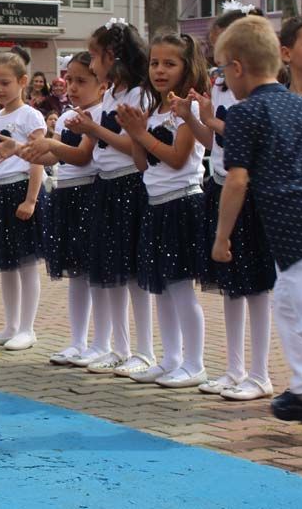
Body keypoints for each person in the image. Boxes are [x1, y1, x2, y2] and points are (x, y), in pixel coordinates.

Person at [211, 15, 302, 421]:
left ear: (237, 67)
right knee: (289, 305)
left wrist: (222, 236)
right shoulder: (301, 106)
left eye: (223, 70)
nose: (224, 79)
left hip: (291, 227)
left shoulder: (244, 113)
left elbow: (236, 179)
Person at [177, 7, 277, 402]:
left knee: (257, 288)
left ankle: (260, 372)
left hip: (249, 192)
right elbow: (213, 143)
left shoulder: (258, 92)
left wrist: (214, 122)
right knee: (231, 286)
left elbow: (240, 134)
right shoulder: (219, 87)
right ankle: (234, 368)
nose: (219, 64)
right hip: (221, 185)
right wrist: (195, 118)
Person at [117, 32, 208, 388]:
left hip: (182, 202)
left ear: (187, 67)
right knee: (163, 289)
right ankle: (171, 358)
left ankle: (195, 362)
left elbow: (177, 158)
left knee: (181, 288)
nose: (159, 70)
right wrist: (135, 132)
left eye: (169, 63)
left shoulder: (189, 109)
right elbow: (144, 165)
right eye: (154, 63)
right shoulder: (154, 112)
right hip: (156, 203)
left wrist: (142, 134)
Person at [64, 20, 155, 377]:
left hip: (130, 184)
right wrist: (88, 129)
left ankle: (145, 350)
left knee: (133, 275)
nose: (92, 62)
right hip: (107, 184)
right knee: (113, 272)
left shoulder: (138, 95)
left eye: (95, 56)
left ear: (112, 56)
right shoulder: (112, 95)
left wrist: (94, 129)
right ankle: (119, 348)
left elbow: (134, 146)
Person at [15, 52, 107, 366]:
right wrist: (19, 150)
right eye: (69, 80)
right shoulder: (69, 115)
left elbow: (81, 156)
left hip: (89, 194)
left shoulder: (99, 115)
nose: (73, 87)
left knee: (95, 274)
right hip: (67, 195)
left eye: (82, 81)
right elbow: (52, 156)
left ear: (101, 83)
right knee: (76, 274)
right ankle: (78, 341)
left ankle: (102, 342)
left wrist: (52, 145)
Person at [0, 47, 47, 352]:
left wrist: (31, 199)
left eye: (5, 82)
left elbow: (37, 159)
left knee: (26, 263)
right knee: (5, 265)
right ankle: (10, 325)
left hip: (19, 190)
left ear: (22, 81)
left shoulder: (31, 115)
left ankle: (28, 328)